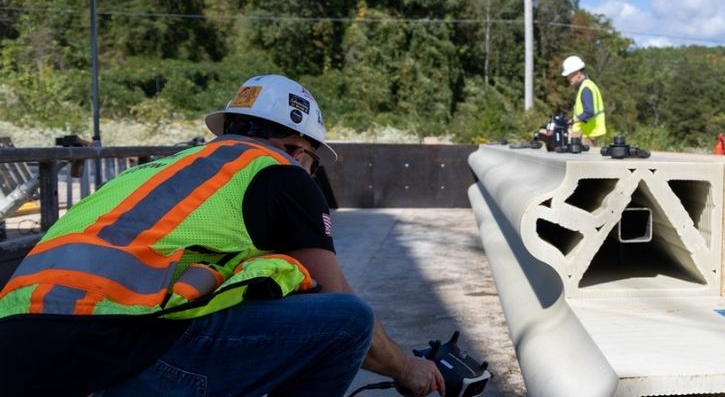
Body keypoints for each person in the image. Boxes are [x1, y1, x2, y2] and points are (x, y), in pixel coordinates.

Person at [0, 74, 444, 396]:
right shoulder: (281, 171)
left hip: (16, 346)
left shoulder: (161, 169)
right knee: (349, 320)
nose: (310, 171)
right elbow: (341, 305)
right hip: (121, 349)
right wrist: (409, 368)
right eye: (312, 159)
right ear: (295, 146)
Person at [561, 55, 606, 147]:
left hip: (586, 136)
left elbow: (589, 112)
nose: (568, 78)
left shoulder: (586, 89)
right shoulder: (589, 85)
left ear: (577, 73)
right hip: (588, 135)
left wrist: (572, 121)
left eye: (569, 75)